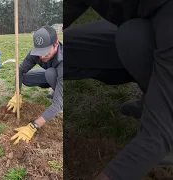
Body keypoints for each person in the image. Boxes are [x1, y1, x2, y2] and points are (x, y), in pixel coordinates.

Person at [64, 0, 173, 179]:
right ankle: (151, 95)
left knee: (132, 38)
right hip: (141, 27)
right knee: (62, 49)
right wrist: (32, 66)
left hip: (160, 36)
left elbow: (157, 134)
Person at [7, 26, 63, 145]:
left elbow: (57, 105)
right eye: (39, 53)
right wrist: (18, 93)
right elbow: (20, 70)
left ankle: (58, 93)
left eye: (45, 52)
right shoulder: (37, 53)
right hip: (52, 74)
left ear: (56, 44)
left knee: (51, 74)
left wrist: (33, 126)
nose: (42, 57)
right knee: (25, 77)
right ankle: (54, 86)